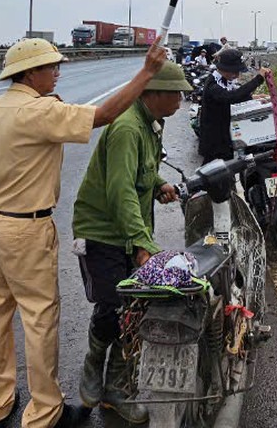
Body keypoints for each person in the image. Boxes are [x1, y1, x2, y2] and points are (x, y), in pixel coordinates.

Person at [0, 38, 167, 428]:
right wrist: (146, 72)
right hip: (25, 227)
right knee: (39, 319)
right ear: (29, 73)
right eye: (50, 66)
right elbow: (105, 114)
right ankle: (45, 412)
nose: (58, 71)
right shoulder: (39, 111)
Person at [70, 61, 191, 423]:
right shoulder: (126, 127)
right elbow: (120, 191)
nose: (181, 99)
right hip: (103, 233)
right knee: (111, 308)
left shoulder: (150, 124)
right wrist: (142, 243)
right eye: (177, 93)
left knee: (135, 308)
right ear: (155, 94)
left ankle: (116, 388)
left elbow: (144, 170)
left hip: (129, 229)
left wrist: (158, 186)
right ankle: (94, 366)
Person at [196, 49, 271, 162]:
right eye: (234, 71)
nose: (237, 75)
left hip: (224, 140)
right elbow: (231, 97)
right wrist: (258, 79)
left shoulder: (224, 82)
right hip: (214, 144)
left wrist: (254, 97)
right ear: (224, 68)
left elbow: (234, 96)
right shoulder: (212, 85)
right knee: (214, 175)